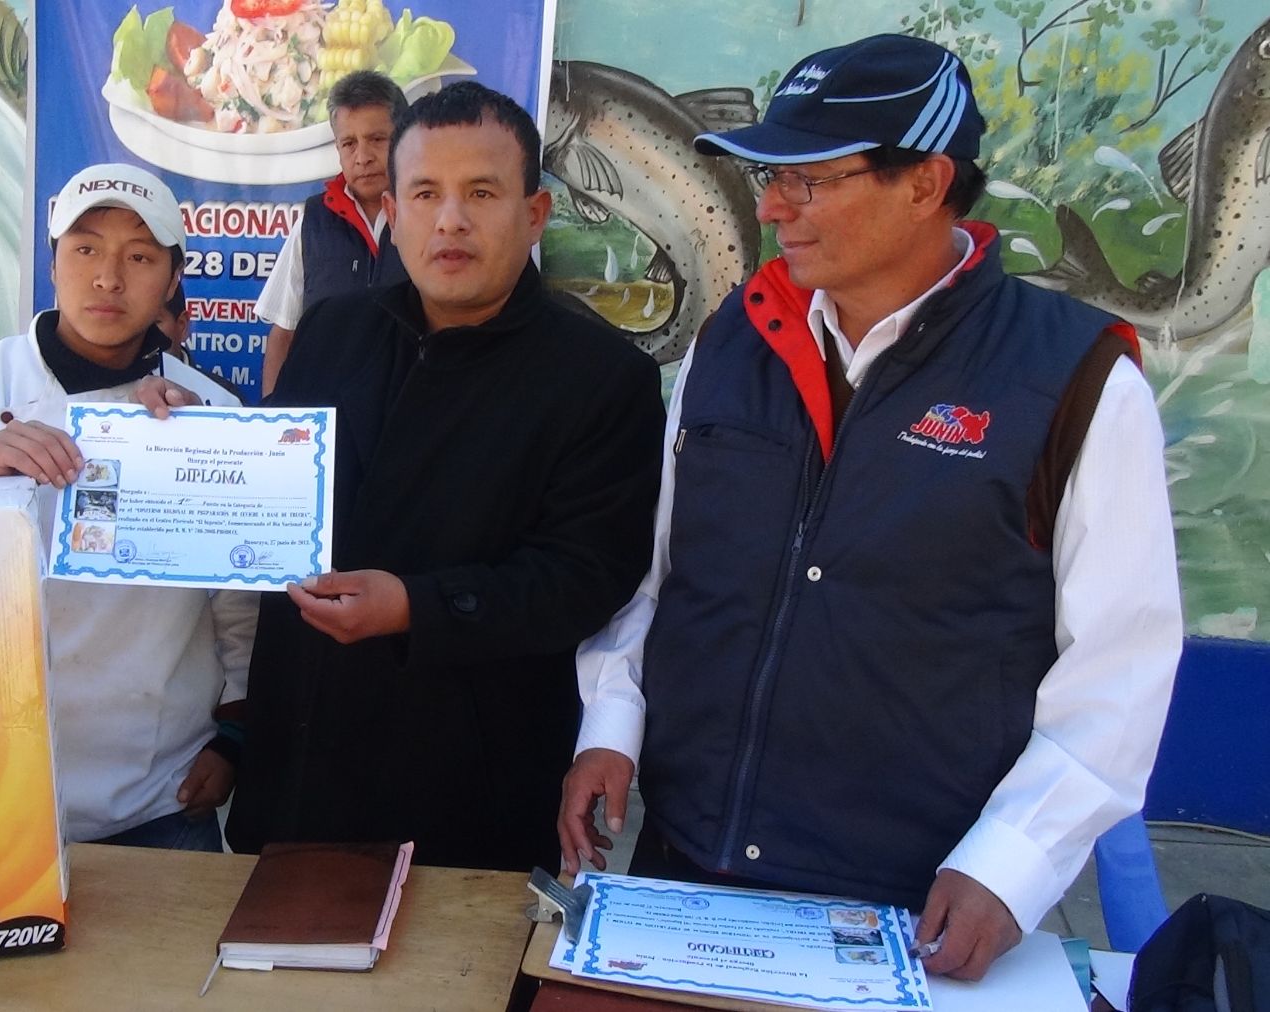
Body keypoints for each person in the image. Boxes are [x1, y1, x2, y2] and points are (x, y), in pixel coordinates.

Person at [558, 34, 1181, 981]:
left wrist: (1009, 869)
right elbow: (660, 572)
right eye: (772, 179)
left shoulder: (1077, 376)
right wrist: (611, 724)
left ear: (927, 183)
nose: (771, 209)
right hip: (689, 864)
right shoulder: (733, 343)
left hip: (917, 899)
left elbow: (1120, 671)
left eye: (809, 182)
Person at [225, 82, 666, 873]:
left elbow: (583, 578)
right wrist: (168, 428)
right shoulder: (334, 331)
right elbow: (262, 489)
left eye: (482, 193)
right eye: (426, 193)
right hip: (294, 775)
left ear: (535, 214)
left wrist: (416, 610)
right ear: (392, 211)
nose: (451, 220)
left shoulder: (602, 378)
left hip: (467, 798)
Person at [0, 162, 255, 851]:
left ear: (171, 280)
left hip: (156, 792)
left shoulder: (212, 412)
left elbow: (239, 605)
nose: (109, 277)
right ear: (53, 264)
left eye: (139, 256)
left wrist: (233, 736)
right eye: (85, 250)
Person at [255, 70, 410, 394]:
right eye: (349, 143)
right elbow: (284, 334)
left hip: (409, 418)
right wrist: (271, 417)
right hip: (328, 423)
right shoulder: (312, 222)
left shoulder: (429, 218)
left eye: (378, 140)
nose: (363, 157)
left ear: (406, 138)